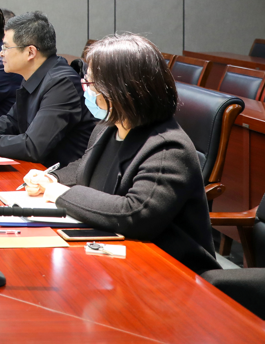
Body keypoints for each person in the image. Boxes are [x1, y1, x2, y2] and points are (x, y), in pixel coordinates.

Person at [22, 33, 220, 275]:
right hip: (115, 255)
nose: (86, 90)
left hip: (169, 272)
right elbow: (86, 166)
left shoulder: (167, 148)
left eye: (91, 84)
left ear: (122, 90)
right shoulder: (108, 127)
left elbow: (135, 213)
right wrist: (51, 179)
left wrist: (61, 194)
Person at [0, 12, 95, 166]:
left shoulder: (62, 84)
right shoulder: (34, 74)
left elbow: (33, 146)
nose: (1, 53)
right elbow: (13, 121)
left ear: (30, 52)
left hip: (60, 175)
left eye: (6, 47)